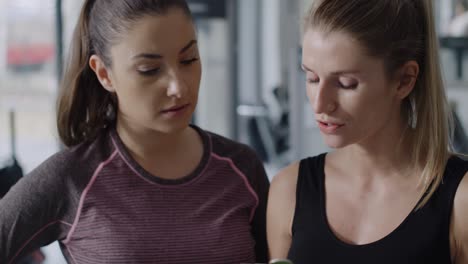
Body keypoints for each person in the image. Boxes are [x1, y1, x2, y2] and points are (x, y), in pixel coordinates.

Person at [0, 0, 269, 263]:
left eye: (188, 60)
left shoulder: (242, 168)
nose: (178, 87)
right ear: (104, 74)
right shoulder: (72, 178)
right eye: (149, 70)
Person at [267, 0, 468, 263]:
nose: (320, 104)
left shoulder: (461, 198)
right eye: (312, 78)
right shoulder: (288, 190)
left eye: (346, 83)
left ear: (404, 80)